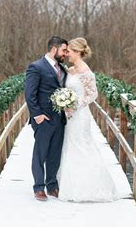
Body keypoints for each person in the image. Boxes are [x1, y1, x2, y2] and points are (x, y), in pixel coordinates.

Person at [57, 37, 119, 202]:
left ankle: (90, 187)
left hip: (80, 115)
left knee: (82, 146)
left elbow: (93, 94)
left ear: (77, 52)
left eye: (69, 51)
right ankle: (70, 187)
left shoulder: (86, 72)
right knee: (70, 146)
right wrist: (63, 102)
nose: (67, 54)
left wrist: (74, 106)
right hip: (68, 115)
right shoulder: (71, 70)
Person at [25, 36, 68, 201]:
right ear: (54, 49)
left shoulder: (62, 69)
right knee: (40, 154)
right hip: (43, 118)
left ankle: (52, 185)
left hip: (60, 119)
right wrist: (37, 115)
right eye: (63, 50)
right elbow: (30, 94)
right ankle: (38, 187)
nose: (65, 53)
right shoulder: (36, 67)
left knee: (55, 154)